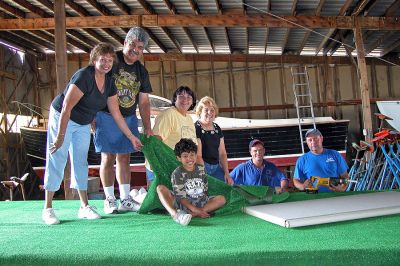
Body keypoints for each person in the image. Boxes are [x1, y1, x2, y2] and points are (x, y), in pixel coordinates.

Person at [42, 43, 142, 225]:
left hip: (83, 122)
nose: (106, 63)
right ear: (94, 59)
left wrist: (131, 137)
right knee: (58, 156)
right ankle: (48, 208)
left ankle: (84, 206)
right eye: (103, 59)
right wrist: (60, 137)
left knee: (81, 160)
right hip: (62, 117)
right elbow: (66, 108)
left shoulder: (110, 83)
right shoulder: (84, 77)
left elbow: (116, 114)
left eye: (110, 60)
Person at [93, 27, 153, 214]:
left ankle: (125, 198)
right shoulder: (111, 60)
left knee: (125, 156)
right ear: (125, 42)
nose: (136, 49)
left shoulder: (141, 71)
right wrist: (92, 116)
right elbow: (95, 87)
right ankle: (110, 199)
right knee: (107, 156)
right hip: (106, 115)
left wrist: (148, 127)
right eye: (133, 44)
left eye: (140, 47)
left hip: (128, 117)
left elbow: (143, 101)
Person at [156, 138, 226, 226]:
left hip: (201, 202)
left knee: (221, 199)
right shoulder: (177, 173)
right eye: (185, 156)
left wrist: (199, 209)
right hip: (184, 204)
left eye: (192, 155)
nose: (189, 158)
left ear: (196, 155)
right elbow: (181, 198)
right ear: (178, 158)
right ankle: (175, 214)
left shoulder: (201, 169)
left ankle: (192, 215)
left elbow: (205, 191)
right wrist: (195, 209)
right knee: (160, 188)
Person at [145, 86, 197, 184]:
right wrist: (156, 166)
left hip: (178, 169)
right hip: (162, 168)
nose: (185, 100)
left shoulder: (189, 119)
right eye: (181, 96)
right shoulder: (168, 115)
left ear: (192, 101)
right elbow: (154, 141)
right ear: (174, 99)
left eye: (189, 97)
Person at [293, 128, 349, 192]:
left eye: (316, 139)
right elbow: (296, 180)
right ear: (307, 142)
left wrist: (343, 188)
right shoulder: (302, 160)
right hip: (313, 197)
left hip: (334, 195)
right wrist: (302, 186)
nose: (313, 142)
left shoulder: (335, 154)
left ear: (321, 138)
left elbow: (345, 176)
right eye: (310, 140)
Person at [195, 96, 233, 185]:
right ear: (200, 112)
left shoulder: (217, 128)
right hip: (202, 167)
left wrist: (227, 173)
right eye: (206, 110)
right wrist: (203, 175)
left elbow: (222, 153)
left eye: (212, 110)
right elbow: (198, 156)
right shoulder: (196, 128)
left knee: (228, 187)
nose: (210, 113)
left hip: (216, 167)